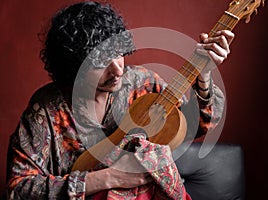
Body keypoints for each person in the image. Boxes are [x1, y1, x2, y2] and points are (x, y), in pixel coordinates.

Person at [6, 1, 234, 199]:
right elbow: (18, 189)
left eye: (119, 53)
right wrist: (108, 178)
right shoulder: (45, 110)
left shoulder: (141, 83)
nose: (117, 69)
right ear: (73, 67)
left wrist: (203, 74)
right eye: (100, 63)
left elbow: (194, 126)